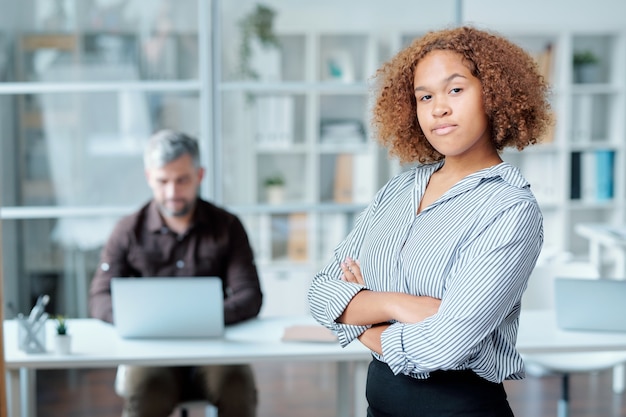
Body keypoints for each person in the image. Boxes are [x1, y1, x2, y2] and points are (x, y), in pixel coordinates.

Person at [308, 26, 551, 417]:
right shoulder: (398, 190)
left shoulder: (510, 209)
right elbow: (321, 293)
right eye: (425, 96)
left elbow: (446, 344)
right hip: (379, 406)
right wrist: (401, 305)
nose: (438, 108)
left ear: (493, 94)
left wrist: (359, 320)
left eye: (455, 90)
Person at [89, 129, 263, 417]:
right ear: (149, 178)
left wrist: (201, 320)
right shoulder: (128, 230)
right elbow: (99, 297)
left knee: (237, 386)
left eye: (182, 180)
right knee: (147, 391)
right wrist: (141, 321)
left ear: (200, 175)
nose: (172, 193)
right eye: (163, 181)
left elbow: (250, 295)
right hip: (153, 353)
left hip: (215, 349)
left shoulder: (227, 226)